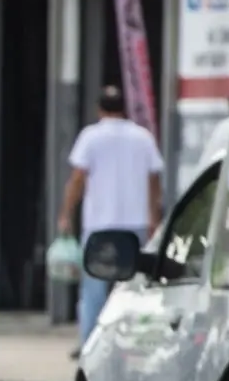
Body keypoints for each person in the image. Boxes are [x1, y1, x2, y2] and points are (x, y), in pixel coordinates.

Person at [56, 83, 163, 348]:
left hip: (99, 225)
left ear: (99, 109)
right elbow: (154, 181)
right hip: (135, 225)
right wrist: (154, 218)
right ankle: (134, 342)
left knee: (93, 290)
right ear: (123, 108)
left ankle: (90, 344)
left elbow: (77, 180)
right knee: (135, 287)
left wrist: (66, 214)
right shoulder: (143, 137)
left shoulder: (90, 137)